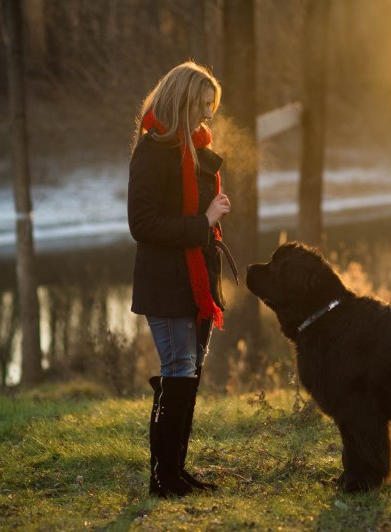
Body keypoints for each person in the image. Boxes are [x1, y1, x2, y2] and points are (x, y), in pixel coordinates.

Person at [128, 61, 232, 498]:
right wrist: (203, 221)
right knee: (178, 373)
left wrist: (209, 220)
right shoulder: (153, 152)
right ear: (182, 101)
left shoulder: (193, 148)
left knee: (187, 376)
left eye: (212, 106)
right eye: (203, 105)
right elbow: (143, 223)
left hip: (197, 282)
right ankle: (163, 479)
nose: (209, 114)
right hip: (166, 284)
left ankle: (173, 472)